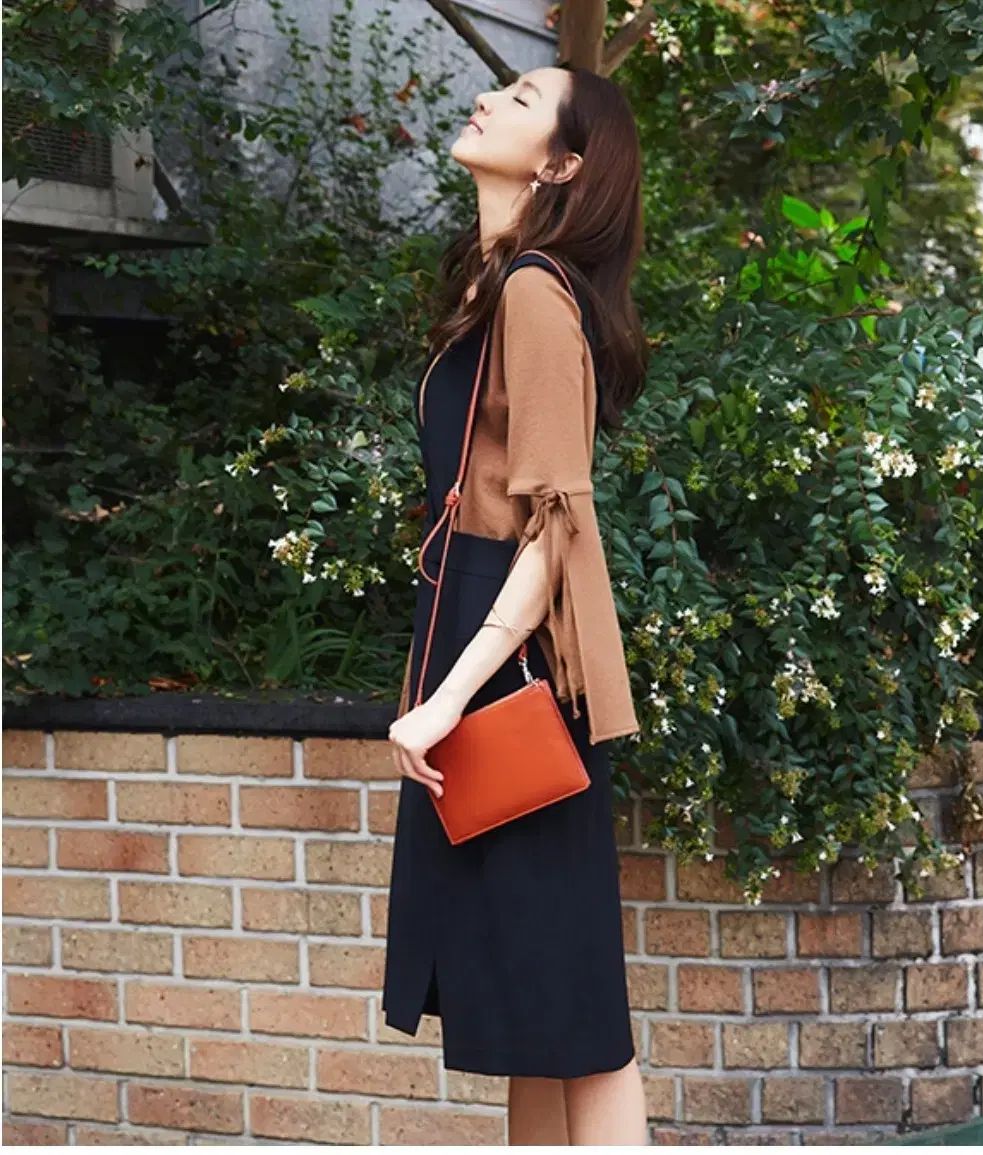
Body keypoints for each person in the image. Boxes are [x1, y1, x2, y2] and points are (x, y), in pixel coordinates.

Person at [384, 63, 650, 1145]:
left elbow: (554, 531)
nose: (490, 97)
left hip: (508, 663)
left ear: (561, 164)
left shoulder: (536, 291)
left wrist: (446, 701)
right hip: (472, 638)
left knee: (574, 1014)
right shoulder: (493, 289)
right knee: (526, 1012)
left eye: (524, 97)